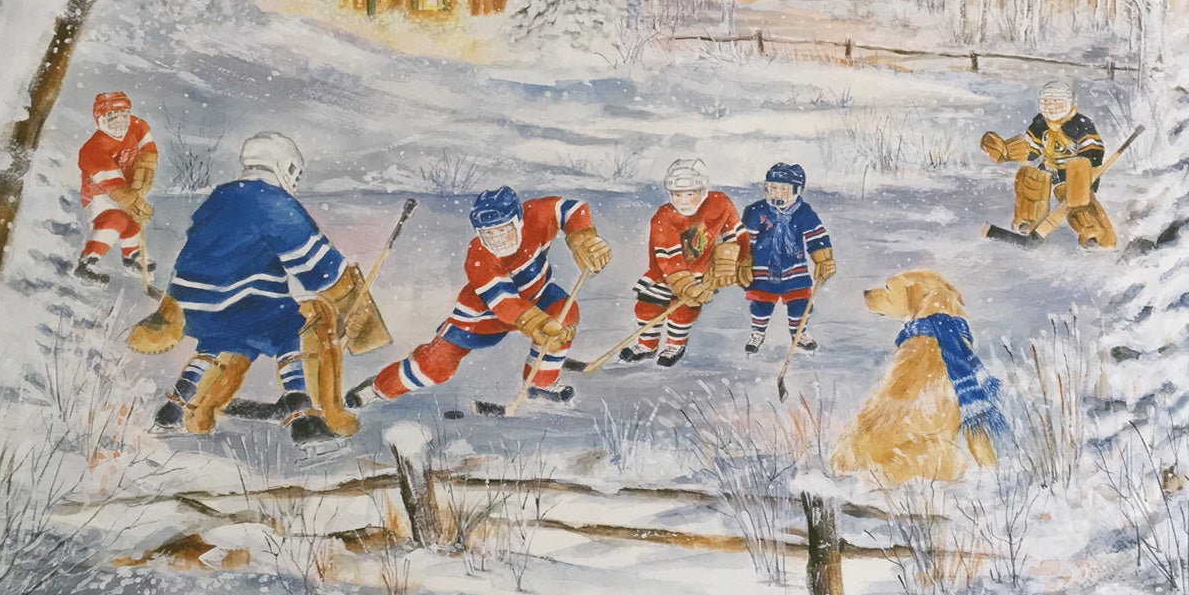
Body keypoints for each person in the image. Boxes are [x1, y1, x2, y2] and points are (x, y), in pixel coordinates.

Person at [128, 132, 377, 446]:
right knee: (294, 328)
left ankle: (174, 410)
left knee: (220, 342)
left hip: (194, 303)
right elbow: (317, 267)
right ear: (285, 166)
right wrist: (341, 279)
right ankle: (304, 418)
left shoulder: (221, 196)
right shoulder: (273, 201)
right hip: (247, 304)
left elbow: (196, 248)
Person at [350, 186, 610, 408]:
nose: (497, 240)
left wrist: (583, 239)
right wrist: (538, 324)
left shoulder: (537, 214)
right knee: (437, 365)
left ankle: (541, 383)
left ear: (518, 220)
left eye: (504, 230)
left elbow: (572, 209)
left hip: (537, 294)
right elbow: (504, 303)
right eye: (489, 234)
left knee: (565, 312)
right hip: (483, 315)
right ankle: (379, 388)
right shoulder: (480, 256)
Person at [622, 158, 745, 368]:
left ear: (703, 190)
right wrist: (684, 284)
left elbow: (734, 232)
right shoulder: (664, 217)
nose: (683, 201)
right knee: (647, 306)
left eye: (689, 194)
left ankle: (675, 344)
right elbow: (669, 257)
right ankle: (647, 345)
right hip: (665, 273)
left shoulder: (720, 203)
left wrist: (739, 259)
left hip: (700, 271)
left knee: (684, 309)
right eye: (677, 194)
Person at [980, 78, 1117, 248]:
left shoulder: (1080, 124)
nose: (1050, 107)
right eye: (1045, 102)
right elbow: (1031, 147)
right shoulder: (1041, 123)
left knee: (1075, 199)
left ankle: (1094, 232)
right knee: (1030, 178)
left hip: (1075, 173)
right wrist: (1008, 151)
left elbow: (1093, 149)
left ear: (1068, 103)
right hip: (1051, 167)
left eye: (1056, 102)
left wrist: (1083, 169)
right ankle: (1028, 220)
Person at [738, 161, 835, 354]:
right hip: (763, 269)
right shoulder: (756, 211)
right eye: (773, 187)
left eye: (783, 189)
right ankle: (758, 332)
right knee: (761, 304)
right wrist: (744, 262)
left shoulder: (804, 212)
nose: (777, 193)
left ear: (796, 190)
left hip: (794, 268)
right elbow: (746, 240)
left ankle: (799, 333)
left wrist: (823, 259)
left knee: (800, 302)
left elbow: (817, 237)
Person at [75, 91, 158, 283]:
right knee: (116, 218)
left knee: (132, 217)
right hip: (99, 193)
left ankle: (132, 255)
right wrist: (133, 201)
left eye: (124, 114)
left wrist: (146, 166)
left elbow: (148, 149)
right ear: (100, 119)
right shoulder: (93, 149)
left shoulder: (137, 126)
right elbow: (114, 187)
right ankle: (88, 262)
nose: (120, 122)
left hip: (126, 185)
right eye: (112, 117)